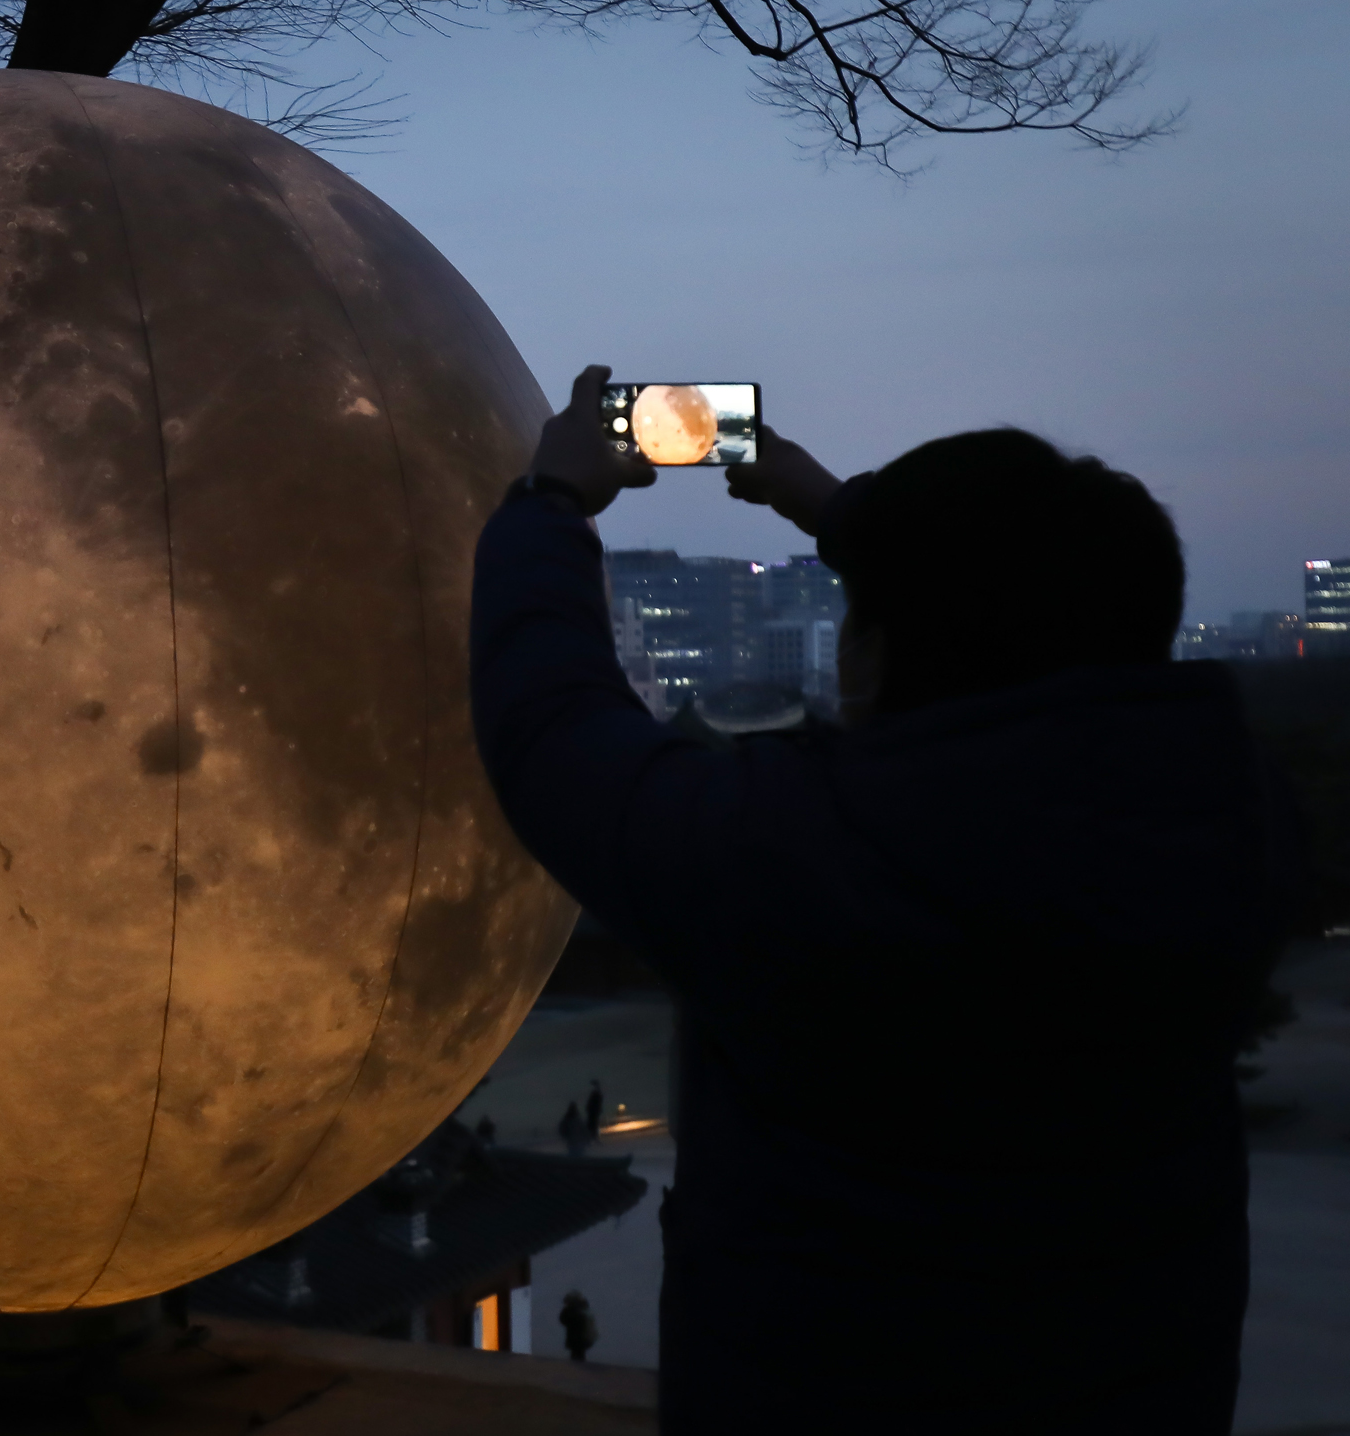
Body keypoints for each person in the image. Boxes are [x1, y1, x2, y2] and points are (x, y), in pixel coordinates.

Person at [470, 367, 1306, 1434]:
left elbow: (551, 729)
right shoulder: (1228, 813)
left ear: (877, 649)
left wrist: (551, 501)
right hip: (1138, 1386)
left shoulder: (799, 854)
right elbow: (1020, 616)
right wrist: (821, 499)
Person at [559, 1289, 598, 1362]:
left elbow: (563, 1319)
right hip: (581, 1337)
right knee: (579, 1354)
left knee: (576, 1355)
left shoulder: (574, 1310)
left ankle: (577, 1369)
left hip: (577, 1337)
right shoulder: (583, 1309)